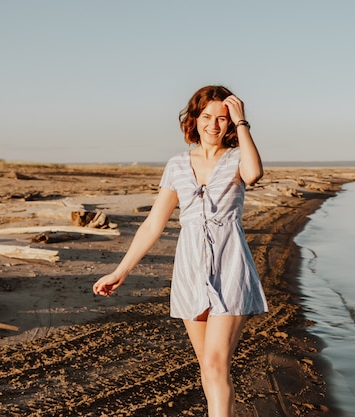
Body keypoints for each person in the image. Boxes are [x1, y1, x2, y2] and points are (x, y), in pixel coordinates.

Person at [93, 85, 268, 417]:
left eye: (222, 118)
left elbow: (254, 174)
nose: (213, 125)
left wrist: (243, 121)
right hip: (189, 272)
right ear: (194, 119)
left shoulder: (237, 158)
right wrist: (120, 271)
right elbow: (152, 225)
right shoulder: (176, 165)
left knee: (215, 367)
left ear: (231, 123)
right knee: (211, 370)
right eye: (206, 117)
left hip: (230, 268)